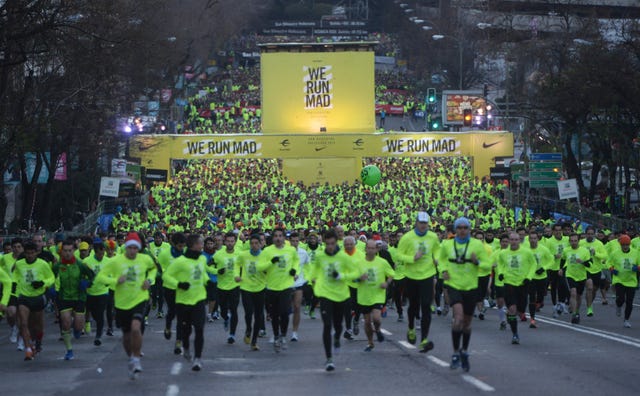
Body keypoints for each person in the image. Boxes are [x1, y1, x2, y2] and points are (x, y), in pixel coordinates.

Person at [94, 232, 156, 379]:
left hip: (140, 299)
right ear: (125, 248)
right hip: (122, 303)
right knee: (127, 335)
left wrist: (149, 280)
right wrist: (115, 280)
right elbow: (100, 277)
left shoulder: (145, 259)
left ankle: (136, 359)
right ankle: (131, 358)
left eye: (135, 248)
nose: (133, 251)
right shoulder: (116, 261)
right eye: (130, 248)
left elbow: (153, 269)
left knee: (136, 328)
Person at [438, 217, 489, 371]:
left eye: (465, 227)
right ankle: (455, 352)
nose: (462, 230)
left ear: (469, 229)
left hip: (471, 287)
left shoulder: (477, 245)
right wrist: (443, 271)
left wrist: (477, 262)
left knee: (467, 323)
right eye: (459, 227)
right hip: (454, 285)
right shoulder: (447, 244)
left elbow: (487, 265)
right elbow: (441, 260)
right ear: (455, 229)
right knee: (458, 318)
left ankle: (464, 351)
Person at [308, 229, 357, 371]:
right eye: (327, 243)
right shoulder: (319, 256)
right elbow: (314, 269)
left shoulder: (343, 257)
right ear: (324, 242)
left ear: (336, 242)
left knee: (338, 325)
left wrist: (341, 276)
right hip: (325, 294)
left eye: (332, 243)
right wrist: (313, 278)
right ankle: (329, 358)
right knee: (327, 325)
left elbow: (354, 272)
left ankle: (337, 338)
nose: (330, 246)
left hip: (341, 295)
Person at [395, 211, 441, 353]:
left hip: (427, 274)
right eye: (421, 223)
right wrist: (412, 258)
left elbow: (437, 250)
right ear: (416, 223)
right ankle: (411, 328)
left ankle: (424, 339)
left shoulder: (432, 237)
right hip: (411, 275)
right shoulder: (407, 237)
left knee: (426, 306)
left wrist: (437, 259)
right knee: (413, 306)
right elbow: (398, 255)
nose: (423, 226)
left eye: (425, 223)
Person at [163, 233, 209, 371]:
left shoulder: (202, 259)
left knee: (200, 329)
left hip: (199, 299)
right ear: (193, 245)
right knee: (186, 330)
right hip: (183, 301)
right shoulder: (180, 261)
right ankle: (186, 347)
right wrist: (179, 284)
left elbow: (202, 273)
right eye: (201, 243)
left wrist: (208, 281)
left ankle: (197, 359)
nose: (203, 245)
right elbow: (166, 276)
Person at [12, 241, 55, 360]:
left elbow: (51, 278)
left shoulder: (42, 264)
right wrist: (14, 287)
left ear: (36, 253)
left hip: (38, 297)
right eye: (28, 253)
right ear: (24, 253)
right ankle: (28, 349)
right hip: (24, 297)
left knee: (37, 327)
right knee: (23, 323)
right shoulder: (19, 264)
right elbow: (15, 276)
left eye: (32, 253)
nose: (30, 255)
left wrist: (43, 283)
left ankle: (38, 341)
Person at [53, 239, 95, 360]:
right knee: (65, 322)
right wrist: (50, 287)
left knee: (77, 326)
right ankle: (69, 350)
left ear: (74, 250)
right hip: (64, 297)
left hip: (79, 297)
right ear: (62, 252)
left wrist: (87, 283)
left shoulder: (81, 265)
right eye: (65, 251)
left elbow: (93, 276)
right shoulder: (58, 265)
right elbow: (50, 277)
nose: (67, 253)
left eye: (70, 251)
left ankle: (77, 331)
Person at [262, 227, 300, 352]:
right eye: (276, 236)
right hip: (272, 286)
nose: (278, 238)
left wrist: (295, 270)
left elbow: (296, 261)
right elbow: (261, 266)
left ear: (284, 238)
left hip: (286, 285)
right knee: (274, 314)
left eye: (280, 236)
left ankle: (283, 335)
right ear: (272, 238)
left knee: (284, 312)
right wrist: (270, 263)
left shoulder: (290, 250)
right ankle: (276, 335)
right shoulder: (267, 251)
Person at [497, 232, 536, 344]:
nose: (513, 242)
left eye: (516, 240)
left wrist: (529, 277)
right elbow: (500, 263)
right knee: (512, 309)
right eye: (511, 240)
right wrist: (500, 272)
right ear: (509, 241)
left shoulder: (526, 252)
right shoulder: (503, 253)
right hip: (509, 283)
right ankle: (515, 334)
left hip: (523, 284)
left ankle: (511, 314)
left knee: (521, 311)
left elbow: (533, 264)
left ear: (519, 240)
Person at [357, 240, 395, 352]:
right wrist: (359, 278)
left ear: (376, 249)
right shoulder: (359, 263)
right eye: (368, 248)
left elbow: (391, 274)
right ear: (365, 249)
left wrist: (387, 283)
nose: (371, 250)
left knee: (377, 318)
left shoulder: (382, 262)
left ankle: (377, 330)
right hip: (364, 296)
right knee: (367, 322)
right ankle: (370, 342)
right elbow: (352, 278)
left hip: (378, 294)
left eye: (373, 248)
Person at [236, 234, 270, 351]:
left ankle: (254, 341)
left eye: (257, 243)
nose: (254, 245)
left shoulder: (265, 255)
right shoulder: (244, 255)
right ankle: (248, 329)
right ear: (249, 244)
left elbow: (269, 268)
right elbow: (237, 264)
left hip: (260, 287)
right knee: (248, 312)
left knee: (259, 315)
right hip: (246, 287)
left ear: (261, 244)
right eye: (252, 243)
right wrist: (237, 275)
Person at [158, 232, 186, 354]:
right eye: (179, 245)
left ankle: (178, 341)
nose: (182, 248)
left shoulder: (186, 254)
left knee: (181, 315)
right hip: (169, 287)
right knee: (172, 311)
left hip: (182, 288)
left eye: (183, 245)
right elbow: (159, 269)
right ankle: (168, 326)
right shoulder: (165, 254)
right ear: (173, 244)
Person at [212, 232, 242, 344]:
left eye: (232, 241)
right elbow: (208, 265)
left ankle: (232, 334)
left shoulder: (240, 254)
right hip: (221, 286)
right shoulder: (218, 254)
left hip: (235, 286)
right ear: (225, 242)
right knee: (223, 311)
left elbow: (244, 267)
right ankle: (226, 318)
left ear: (235, 242)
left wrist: (242, 277)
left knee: (234, 310)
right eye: (228, 241)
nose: (230, 243)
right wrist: (217, 271)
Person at [84, 238, 112, 346]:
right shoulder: (87, 262)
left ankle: (98, 336)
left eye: (103, 252)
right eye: (100, 253)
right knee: (94, 313)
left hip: (103, 292)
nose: (102, 255)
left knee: (100, 313)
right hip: (90, 292)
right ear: (95, 252)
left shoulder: (108, 261)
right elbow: (82, 275)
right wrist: (86, 282)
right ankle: (95, 324)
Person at [560, 233, 592, 324]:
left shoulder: (584, 251)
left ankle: (577, 311)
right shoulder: (566, 250)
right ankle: (574, 314)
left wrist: (582, 262)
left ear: (578, 241)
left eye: (575, 241)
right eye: (571, 241)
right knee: (573, 293)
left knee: (578, 295)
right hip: (570, 275)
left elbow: (589, 264)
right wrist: (561, 269)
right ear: (569, 241)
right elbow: (563, 260)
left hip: (581, 276)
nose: (573, 242)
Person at [609, 235, 639, 328]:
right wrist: (611, 269)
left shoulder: (636, 253)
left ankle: (626, 320)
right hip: (619, 279)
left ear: (629, 244)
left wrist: (638, 268)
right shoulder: (615, 253)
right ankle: (618, 306)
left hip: (631, 280)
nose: (625, 247)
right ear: (620, 245)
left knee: (629, 302)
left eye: (627, 245)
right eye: (623, 245)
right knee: (621, 298)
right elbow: (608, 262)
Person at [526, 230, 552, 328]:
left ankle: (539, 303)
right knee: (532, 298)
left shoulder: (543, 249)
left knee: (541, 297)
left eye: (534, 238)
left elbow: (551, 260)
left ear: (538, 239)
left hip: (542, 277)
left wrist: (543, 268)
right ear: (528, 239)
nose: (533, 240)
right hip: (531, 277)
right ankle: (532, 319)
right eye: (531, 238)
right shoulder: (525, 249)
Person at [579, 226, 606, 317]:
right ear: (585, 234)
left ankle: (589, 302)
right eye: (588, 234)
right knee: (589, 288)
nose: (590, 235)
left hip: (596, 270)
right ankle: (589, 308)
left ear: (595, 234)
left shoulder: (599, 244)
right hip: (585, 269)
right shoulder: (581, 243)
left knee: (594, 290)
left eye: (592, 234)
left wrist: (596, 253)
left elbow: (604, 256)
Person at [544, 223, 570, 317]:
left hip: (563, 267)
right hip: (553, 267)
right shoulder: (549, 241)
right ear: (553, 231)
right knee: (554, 287)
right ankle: (555, 305)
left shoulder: (566, 240)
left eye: (560, 230)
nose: (558, 232)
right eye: (556, 230)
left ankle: (562, 304)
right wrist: (554, 256)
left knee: (563, 286)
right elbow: (546, 255)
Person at [342, 236, 364, 340]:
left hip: (358, 285)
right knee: (347, 307)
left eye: (351, 244)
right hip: (346, 285)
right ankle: (348, 328)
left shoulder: (360, 254)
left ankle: (356, 320)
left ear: (354, 244)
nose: (349, 246)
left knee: (358, 307)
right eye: (346, 244)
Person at [289, 232, 310, 342]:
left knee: (297, 307)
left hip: (299, 284)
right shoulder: (285, 253)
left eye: (297, 241)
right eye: (293, 241)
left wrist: (306, 278)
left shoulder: (303, 253)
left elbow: (308, 266)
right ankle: (280, 331)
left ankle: (294, 332)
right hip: (286, 284)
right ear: (289, 241)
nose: (295, 243)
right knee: (283, 310)